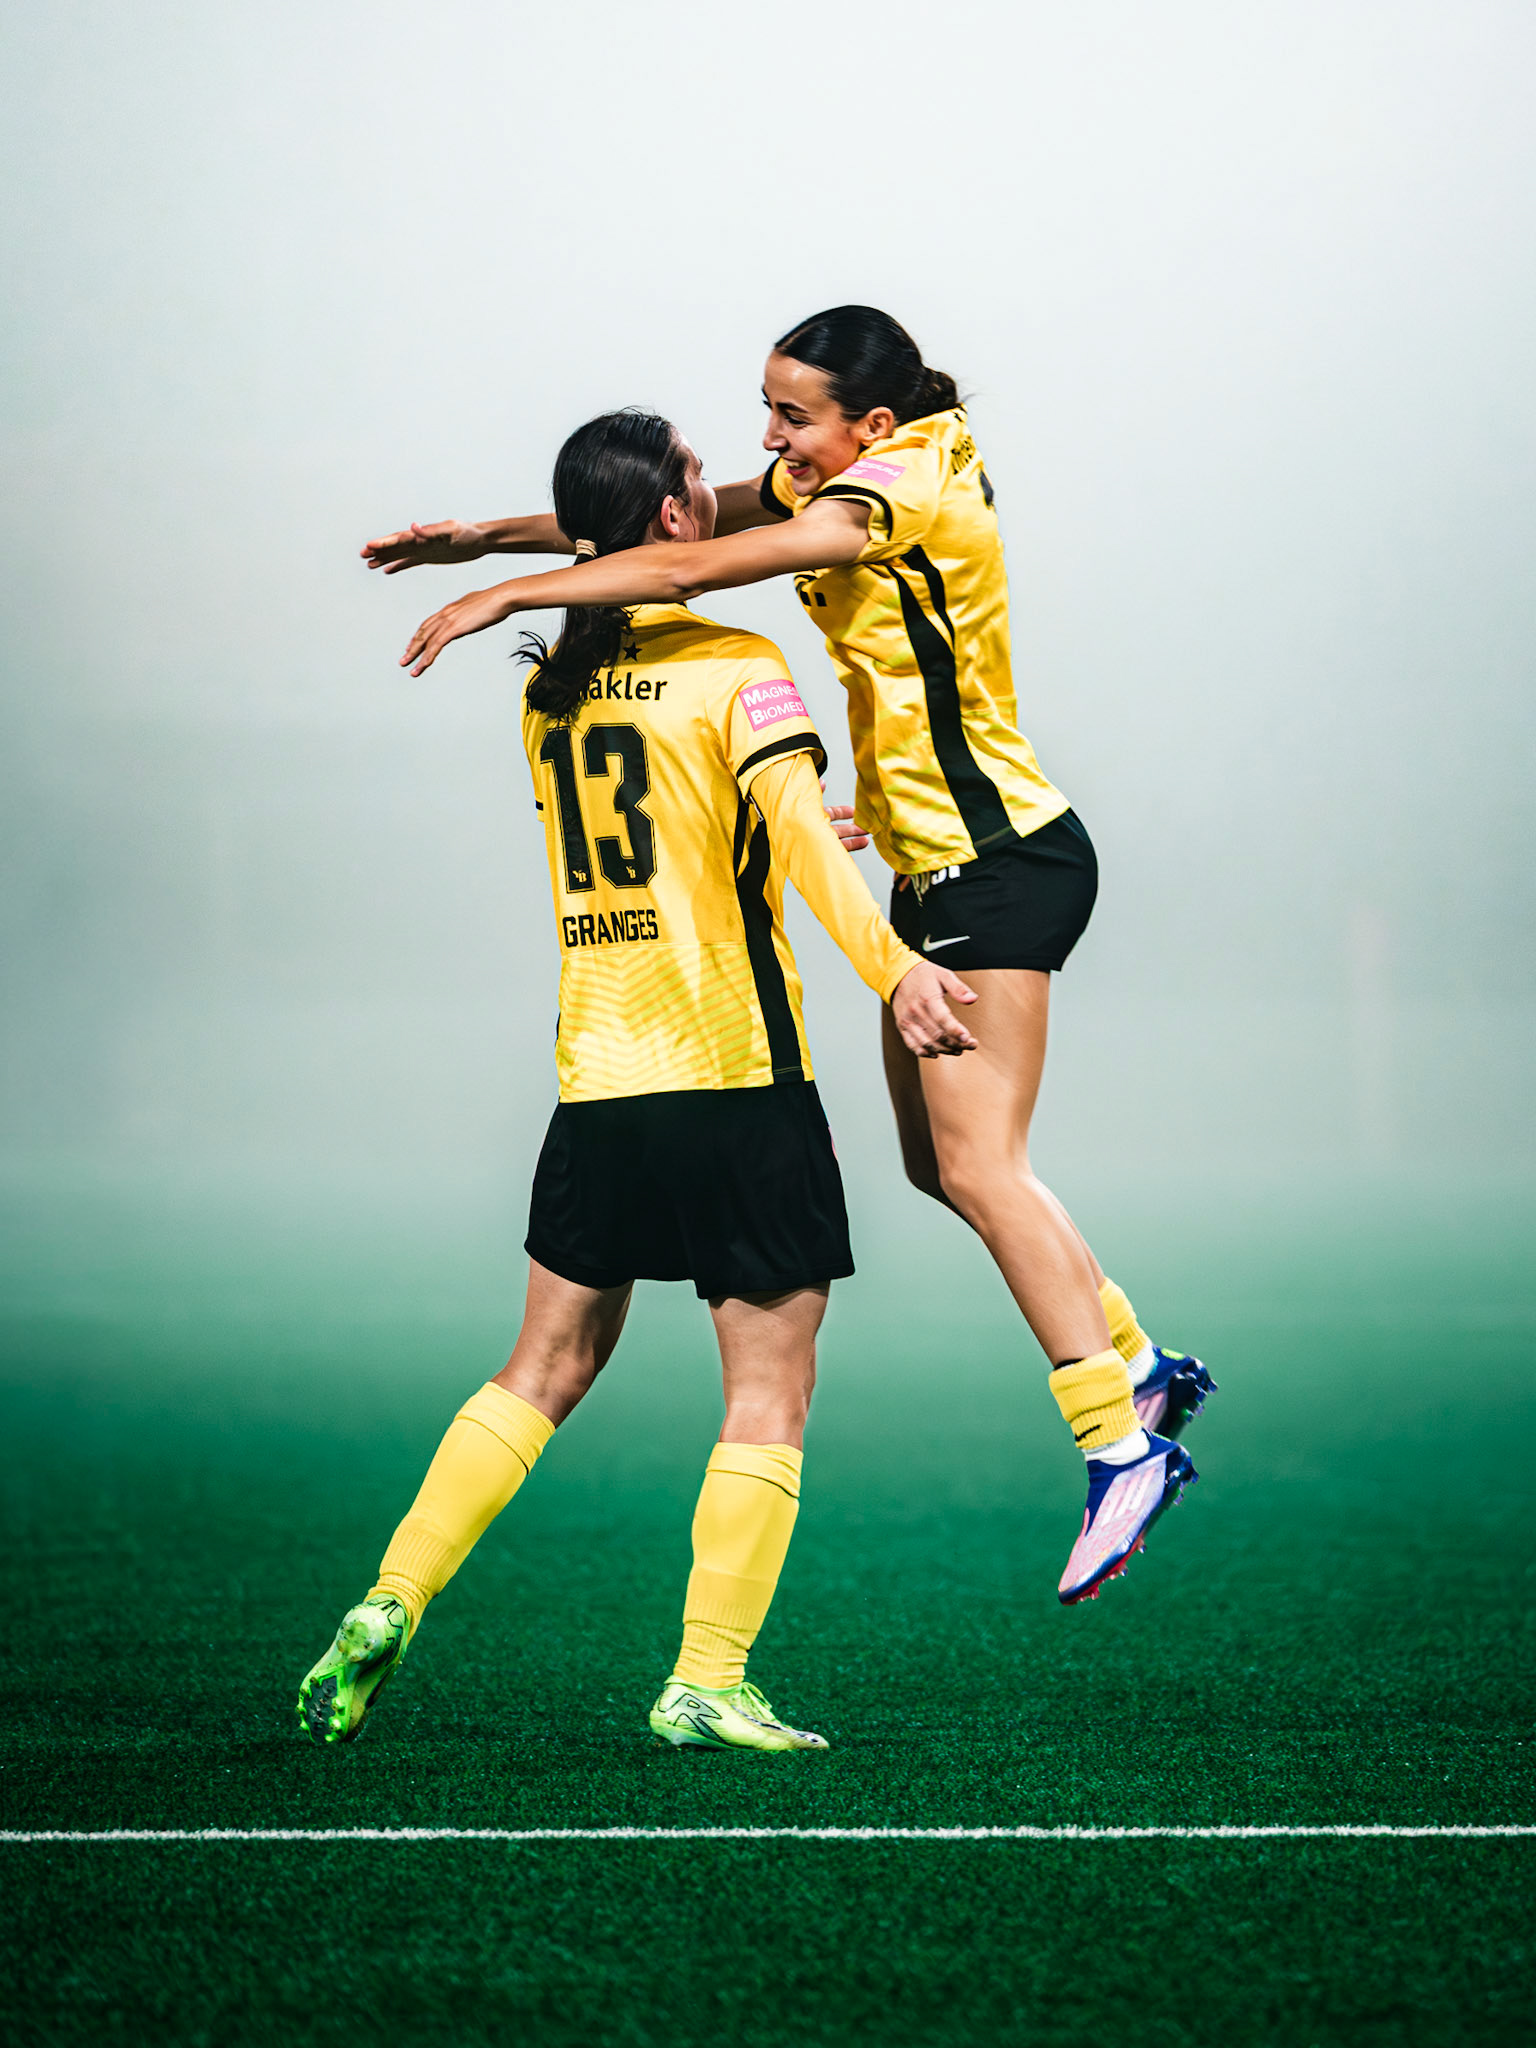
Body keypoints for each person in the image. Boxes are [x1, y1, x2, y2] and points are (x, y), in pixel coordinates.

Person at [362, 307, 1217, 1606]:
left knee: (985, 1165)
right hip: (934, 869)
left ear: (871, 425)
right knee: (941, 1168)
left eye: (792, 415)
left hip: (1006, 861)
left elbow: (692, 568)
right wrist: (484, 535)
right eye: (764, 411)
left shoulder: (892, 490)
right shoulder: (840, 468)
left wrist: (512, 591)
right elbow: (676, 531)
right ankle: (1140, 1360)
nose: (770, 440)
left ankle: (1120, 1442)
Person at [299, 408, 976, 1756]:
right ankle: (706, 1678)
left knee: (540, 1367)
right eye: (690, 475)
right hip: (737, 1079)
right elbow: (794, 850)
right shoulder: (741, 664)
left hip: (600, 1081)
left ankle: (390, 1598)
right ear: (674, 522)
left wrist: (772, 818)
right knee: (768, 1390)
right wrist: (894, 965)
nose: (715, 485)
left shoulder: (555, 696)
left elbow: (680, 838)